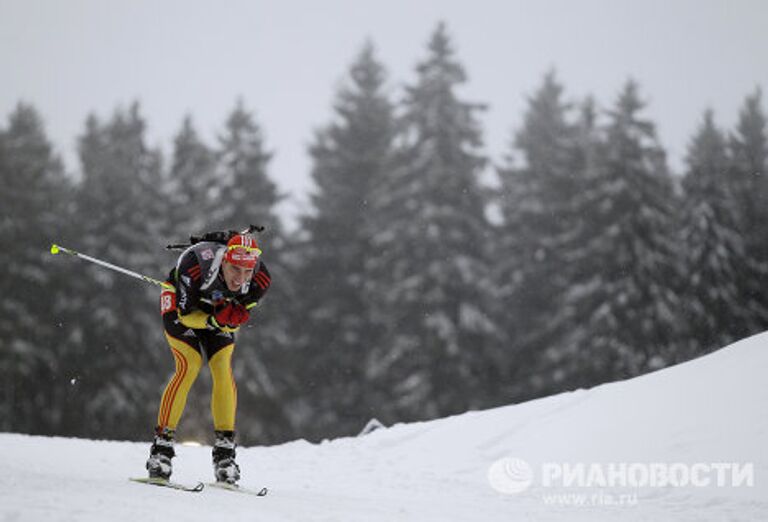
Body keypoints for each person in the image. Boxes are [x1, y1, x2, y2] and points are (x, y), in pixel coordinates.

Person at [146, 232, 271, 484]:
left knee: (222, 366)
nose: (240, 278)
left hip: (213, 308)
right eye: (235, 269)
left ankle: (225, 453)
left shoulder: (260, 279)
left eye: (247, 271)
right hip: (183, 307)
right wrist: (215, 319)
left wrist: (227, 319)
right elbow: (185, 316)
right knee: (189, 365)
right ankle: (161, 450)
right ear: (224, 260)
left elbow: (236, 319)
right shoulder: (194, 266)